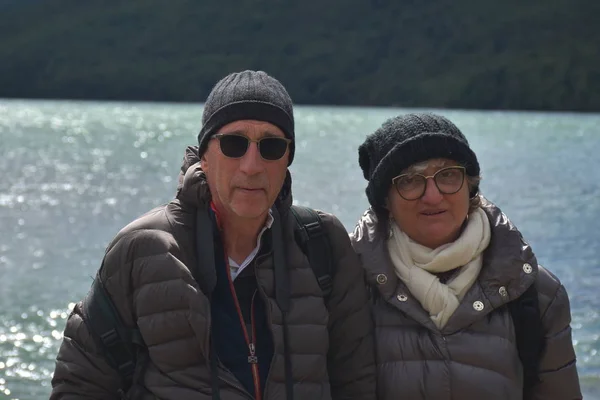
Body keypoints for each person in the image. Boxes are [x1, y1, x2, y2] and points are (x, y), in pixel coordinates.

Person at [50, 70, 376, 400]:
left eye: (272, 146)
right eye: (234, 144)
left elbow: (357, 384)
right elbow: (80, 386)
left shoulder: (321, 244)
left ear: (287, 159)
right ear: (204, 156)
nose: (251, 165)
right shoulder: (142, 249)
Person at [351, 113, 582, 399]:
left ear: (470, 184)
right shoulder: (347, 283)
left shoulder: (534, 292)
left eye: (447, 175)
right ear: (385, 200)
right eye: (410, 180)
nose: (433, 196)